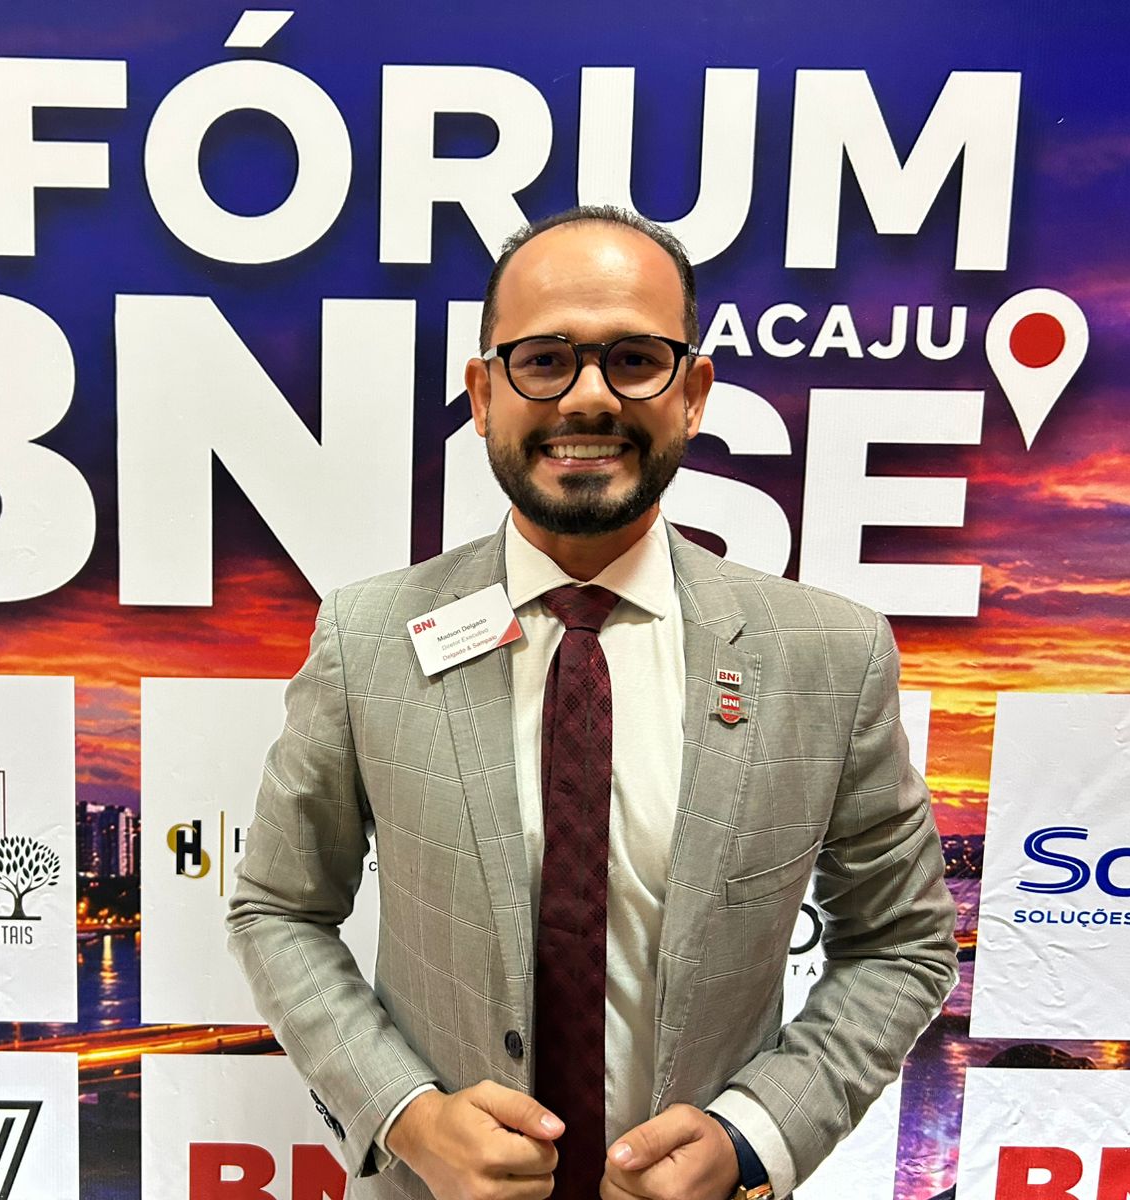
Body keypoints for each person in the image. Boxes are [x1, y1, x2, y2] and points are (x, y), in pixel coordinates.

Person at [227, 205, 958, 1200]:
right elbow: (278, 909)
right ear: (483, 395)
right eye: (543, 360)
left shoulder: (829, 655)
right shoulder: (368, 638)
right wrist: (408, 1116)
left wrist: (752, 1135)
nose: (587, 397)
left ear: (692, 394)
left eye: (634, 360)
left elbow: (901, 943)